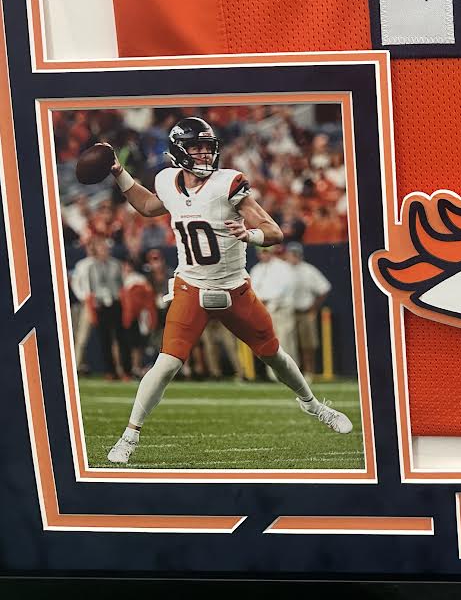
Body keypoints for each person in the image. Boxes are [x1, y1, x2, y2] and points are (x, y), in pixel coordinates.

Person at [99, 117, 352, 465]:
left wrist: (251, 235)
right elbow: (148, 206)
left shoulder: (227, 184)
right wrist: (118, 172)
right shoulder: (167, 181)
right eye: (196, 148)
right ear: (178, 151)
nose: (204, 154)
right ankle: (129, 436)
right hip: (191, 286)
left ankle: (313, 405)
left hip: (234, 288)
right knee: (167, 363)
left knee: (274, 354)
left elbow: (274, 231)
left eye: (207, 147)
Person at [70, 237, 131, 379]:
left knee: (120, 337)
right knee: (99, 338)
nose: (105, 250)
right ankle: (90, 368)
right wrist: (85, 298)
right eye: (101, 248)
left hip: (114, 302)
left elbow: (122, 285)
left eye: (106, 248)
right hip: (96, 303)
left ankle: (125, 370)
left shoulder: (115, 264)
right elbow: (79, 284)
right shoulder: (88, 265)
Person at [285, 241, 332, 377]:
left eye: (296, 254)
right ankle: (293, 373)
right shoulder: (282, 270)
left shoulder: (308, 270)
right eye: (291, 254)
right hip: (287, 312)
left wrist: (313, 307)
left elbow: (324, 288)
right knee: (289, 344)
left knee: (308, 344)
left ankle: (309, 371)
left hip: (304, 312)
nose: (293, 256)